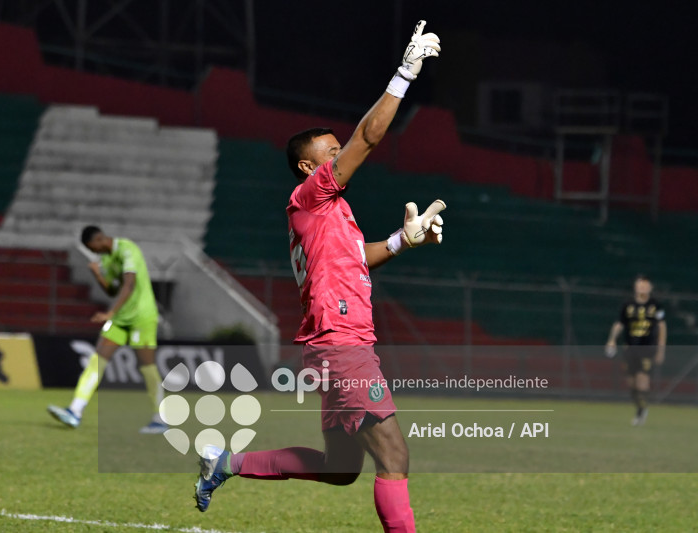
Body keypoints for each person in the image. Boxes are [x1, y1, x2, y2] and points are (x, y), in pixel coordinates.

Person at [193, 21, 443, 532]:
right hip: (341, 341)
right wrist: (405, 73)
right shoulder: (310, 198)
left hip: (333, 342)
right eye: (332, 152)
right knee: (394, 457)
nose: (341, 155)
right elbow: (369, 137)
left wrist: (402, 240)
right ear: (309, 168)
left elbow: (356, 256)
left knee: (341, 468)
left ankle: (227, 462)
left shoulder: (332, 214)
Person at [47, 226, 167, 434]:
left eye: (91, 247)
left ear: (99, 240)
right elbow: (112, 288)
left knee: (147, 367)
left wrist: (110, 313)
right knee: (97, 360)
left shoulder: (128, 249)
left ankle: (162, 418)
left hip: (142, 317)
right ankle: (75, 411)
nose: (92, 252)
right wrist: (96, 274)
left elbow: (129, 284)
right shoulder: (106, 259)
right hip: (120, 319)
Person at [605, 275, 667, 426]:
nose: (643, 288)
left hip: (647, 348)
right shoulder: (627, 305)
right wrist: (612, 340)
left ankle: (643, 410)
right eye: (640, 285)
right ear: (635, 287)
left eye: (646, 285)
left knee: (642, 382)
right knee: (632, 384)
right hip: (630, 348)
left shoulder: (655, 305)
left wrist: (661, 349)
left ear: (650, 288)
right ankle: (640, 407)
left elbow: (662, 327)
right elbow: (619, 324)